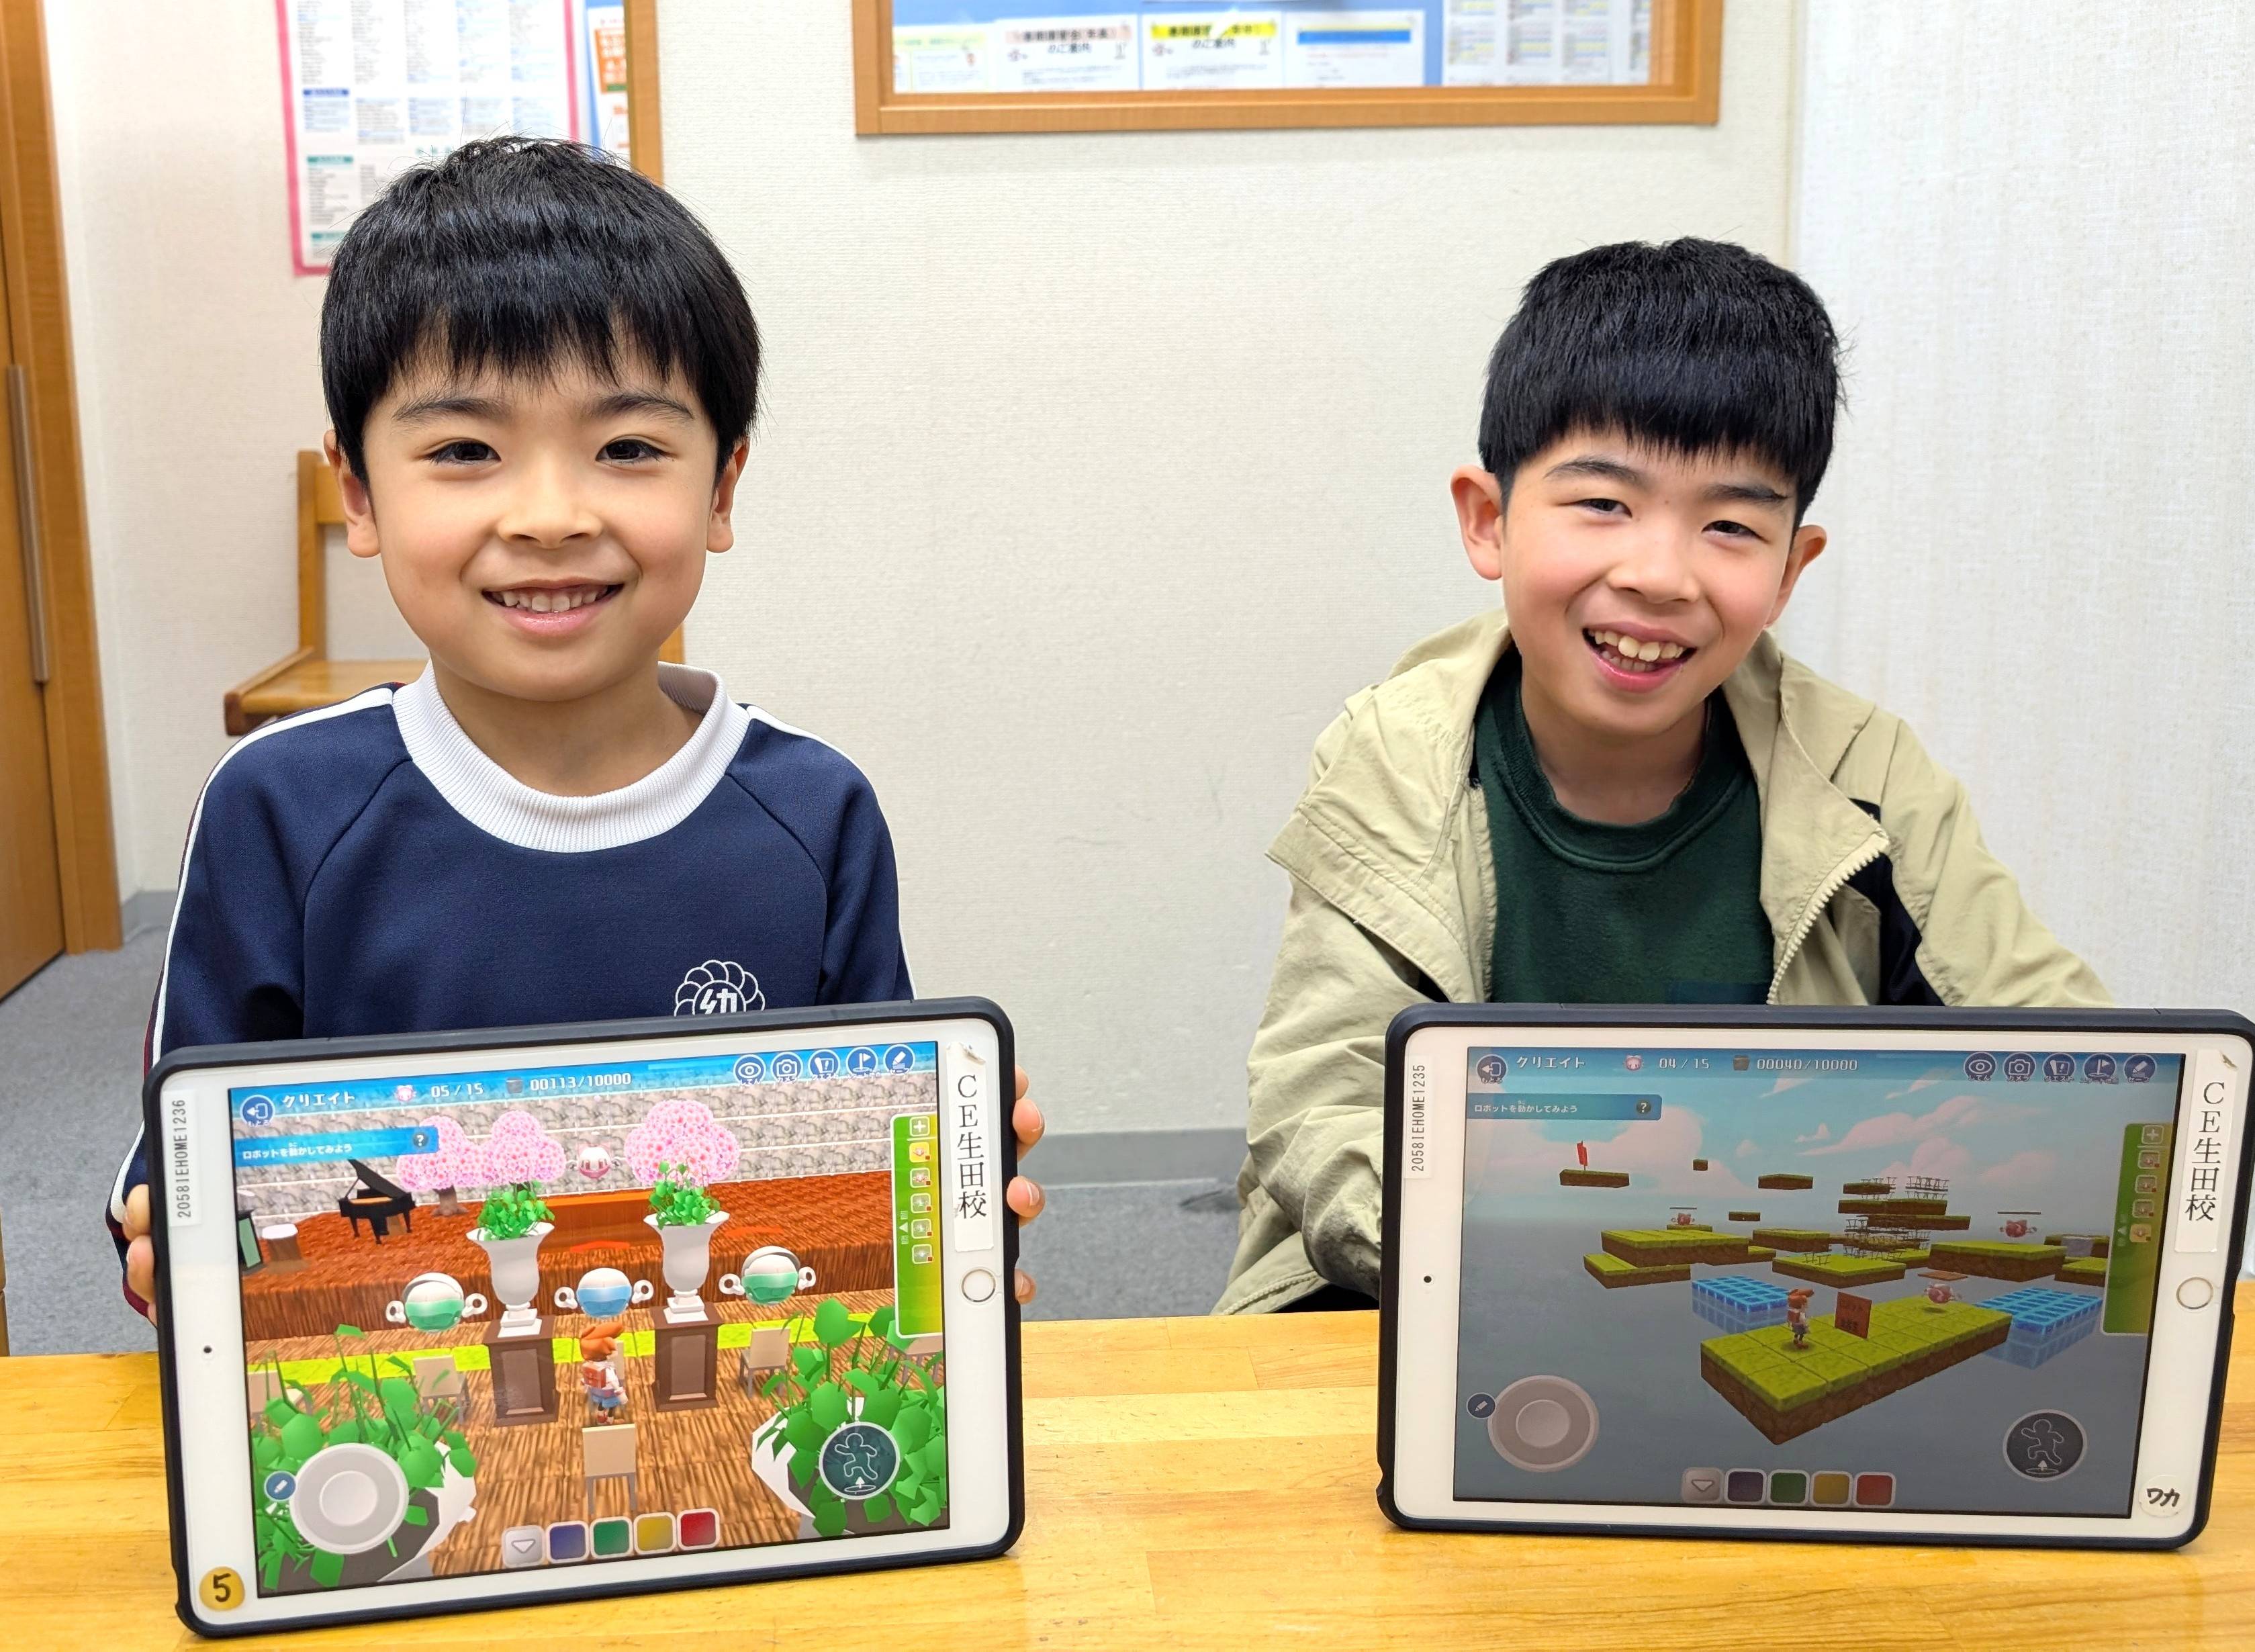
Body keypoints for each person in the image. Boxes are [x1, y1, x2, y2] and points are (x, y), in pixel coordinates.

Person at [110, 138, 1046, 1317]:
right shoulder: (278, 808)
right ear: (359, 493)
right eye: (464, 451)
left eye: (627, 449)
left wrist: (932, 1248)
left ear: (720, 488)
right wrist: (171, 1250)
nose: (549, 517)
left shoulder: (814, 812)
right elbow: (180, 1178)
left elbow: (858, 1152)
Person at [1216, 238, 2106, 1316]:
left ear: (1789, 569)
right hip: (1424, 1278)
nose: (1658, 576)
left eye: (1729, 525)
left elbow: (2068, 1056)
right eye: (1602, 503)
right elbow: (1324, 1099)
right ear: (1488, 520)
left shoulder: (1864, 772)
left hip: (1763, 1280)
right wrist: (1526, 1255)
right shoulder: (1396, 752)